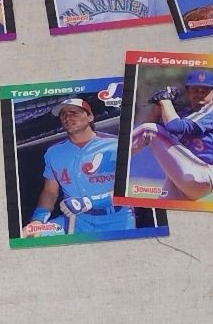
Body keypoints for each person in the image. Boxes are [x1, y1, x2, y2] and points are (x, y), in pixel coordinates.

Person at [21, 97, 135, 236]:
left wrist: (89, 202)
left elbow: (130, 187)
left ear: (90, 117)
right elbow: (50, 192)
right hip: (76, 221)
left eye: (74, 112)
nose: (67, 117)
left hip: (118, 220)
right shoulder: (53, 153)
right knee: (29, 235)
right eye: (63, 115)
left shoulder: (116, 145)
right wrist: (38, 220)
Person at [128, 71, 213, 201]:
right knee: (159, 207)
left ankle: (114, 155)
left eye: (204, 90)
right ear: (187, 91)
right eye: (195, 89)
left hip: (205, 172)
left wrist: (166, 101)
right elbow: (149, 130)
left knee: (149, 129)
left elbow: (173, 127)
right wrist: (159, 105)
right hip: (186, 179)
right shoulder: (185, 114)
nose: (199, 93)